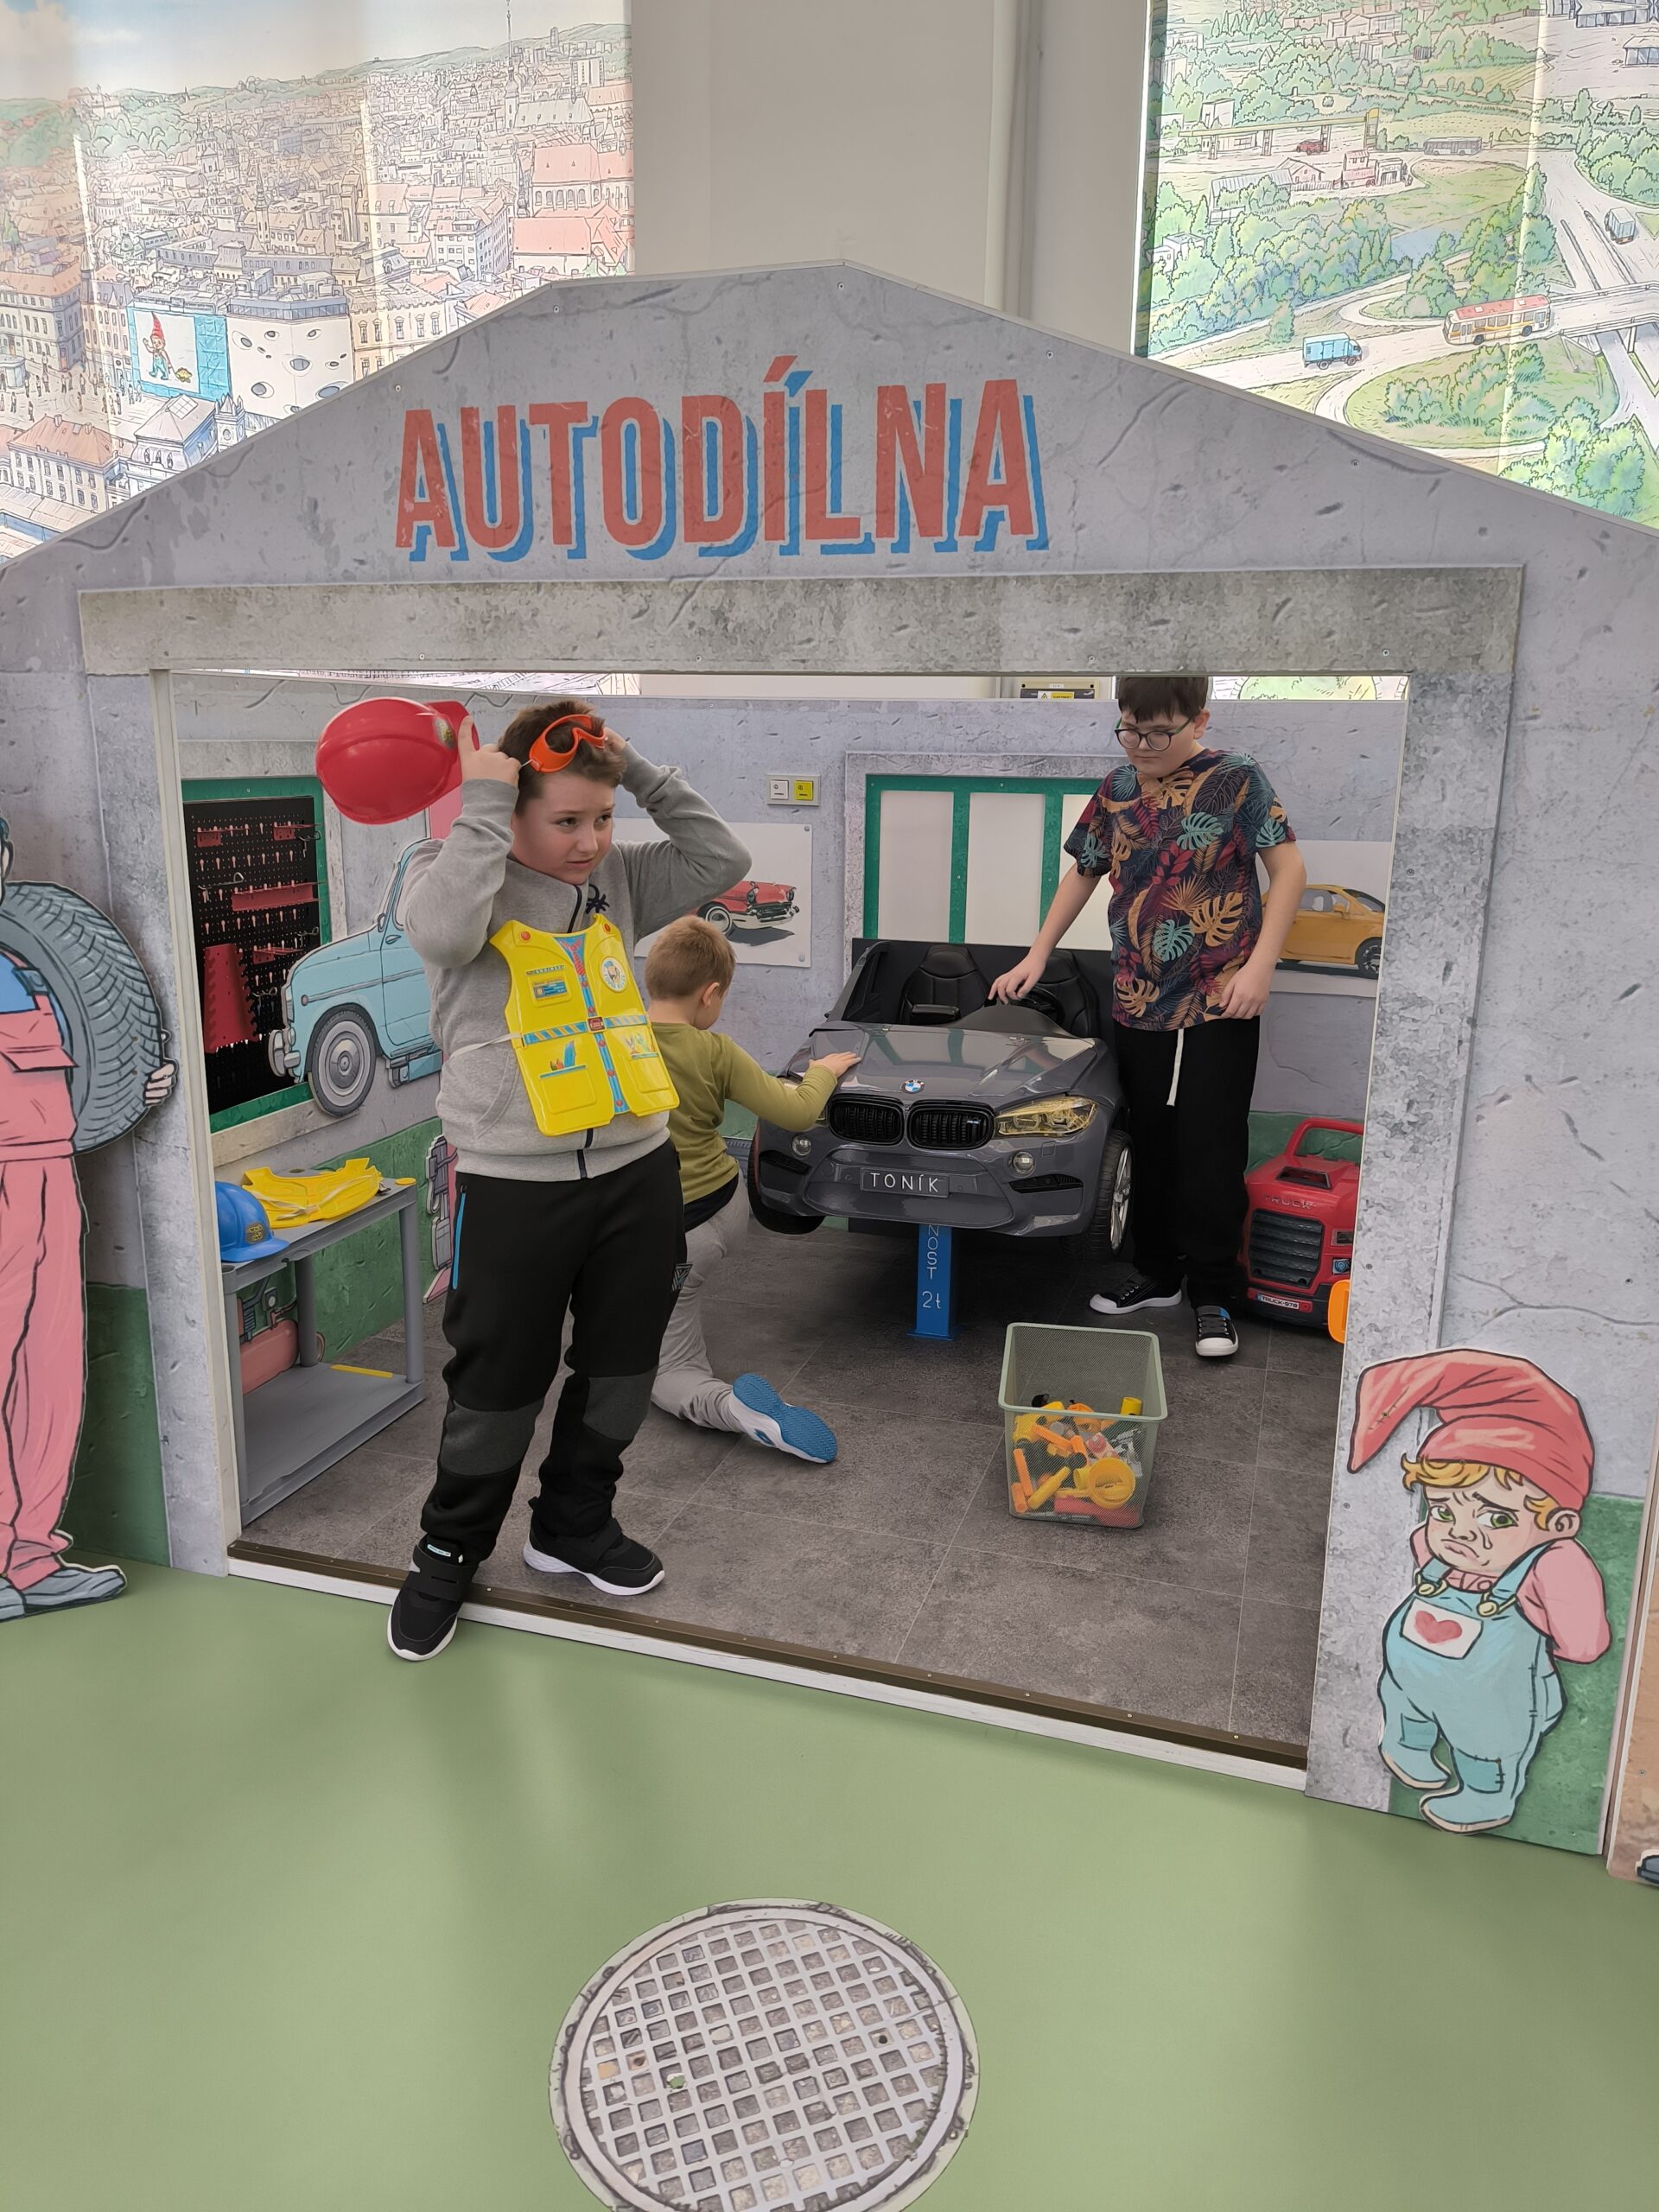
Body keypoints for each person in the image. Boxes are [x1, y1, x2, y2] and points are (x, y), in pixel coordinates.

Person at [386, 702, 750, 1662]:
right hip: (512, 1184)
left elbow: (722, 858)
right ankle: (449, 1550)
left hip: (638, 1170)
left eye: (602, 818)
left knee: (622, 1369)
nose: (590, 842)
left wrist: (641, 773)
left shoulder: (618, 880)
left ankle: (573, 1524)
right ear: (509, 808)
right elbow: (439, 937)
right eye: (566, 821)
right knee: (498, 1385)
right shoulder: (450, 872)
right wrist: (479, 807)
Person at [991, 674, 1306, 1359]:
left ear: (1199, 720)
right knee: (1152, 1143)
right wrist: (1037, 954)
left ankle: (1214, 1293)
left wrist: (1261, 968)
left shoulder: (1237, 778)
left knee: (1210, 1150)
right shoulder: (1116, 788)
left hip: (1218, 998)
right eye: (1130, 729)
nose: (1140, 745)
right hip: (1137, 997)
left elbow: (1290, 872)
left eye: (1158, 733)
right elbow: (1084, 871)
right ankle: (1159, 1273)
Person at [0, 817, 175, 1621]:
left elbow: (76, 1070)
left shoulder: (28, 964)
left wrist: (132, 1089)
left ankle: (31, 1561)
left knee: (50, 1372)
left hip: (49, 1182)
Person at [1350, 1348, 1611, 1835]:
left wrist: (1559, 1583)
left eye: (1497, 1518)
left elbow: (1584, 1644)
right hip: (1411, 1683)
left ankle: (1486, 1796)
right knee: (1404, 1704)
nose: (1461, 1532)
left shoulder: (1548, 1567)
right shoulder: (1432, 1549)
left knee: (1487, 1744)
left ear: (1559, 1524)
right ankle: (1405, 1744)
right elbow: (1425, 1551)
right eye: (1444, 1511)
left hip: (1494, 1705)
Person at [644, 916, 859, 1460]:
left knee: (665, 1368)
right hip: (721, 1209)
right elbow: (798, 1110)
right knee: (659, 1297)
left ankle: (731, 1409)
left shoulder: (615, 1046)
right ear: (710, 993)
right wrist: (823, 1071)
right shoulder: (714, 1051)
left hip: (671, 1236)